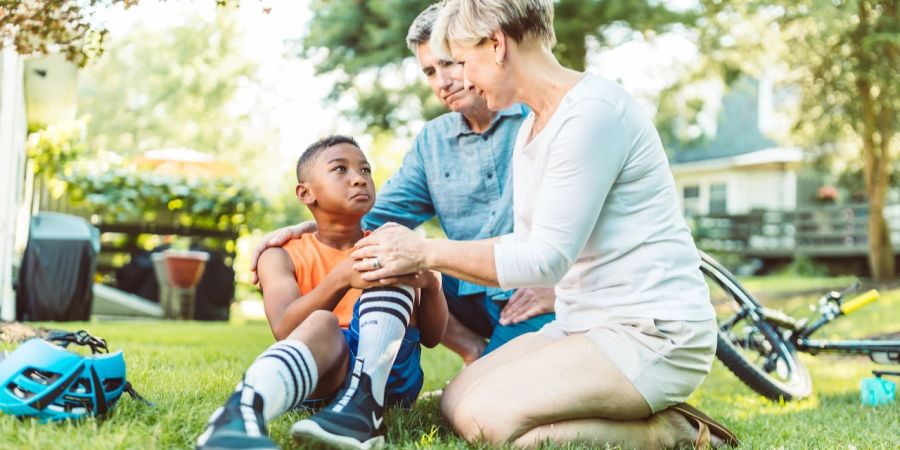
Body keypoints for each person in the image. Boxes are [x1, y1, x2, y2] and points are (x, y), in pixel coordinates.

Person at [347, 0, 741, 448]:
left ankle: (672, 432)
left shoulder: (592, 113)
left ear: (496, 45)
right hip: (583, 324)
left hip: (651, 333)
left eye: (462, 61)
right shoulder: (533, 128)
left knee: (492, 424)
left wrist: (427, 251)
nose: (463, 80)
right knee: (457, 399)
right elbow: (524, 241)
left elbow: (545, 259)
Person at [250, 4, 554, 366]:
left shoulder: (539, 119)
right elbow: (375, 216)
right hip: (466, 289)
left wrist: (563, 288)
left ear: (481, 51)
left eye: (450, 63)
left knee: (491, 390)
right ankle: (473, 352)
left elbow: (588, 222)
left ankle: (489, 365)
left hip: (532, 288)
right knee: (395, 261)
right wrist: (313, 226)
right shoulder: (433, 140)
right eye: (430, 71)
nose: (443, 81)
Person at [196, 136, 447, 450]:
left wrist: (433, 284)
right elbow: (285, 328)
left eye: (365, 170)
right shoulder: (281, 255)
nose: (359, 178)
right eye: (340, 169)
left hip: (389, 375)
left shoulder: (390, 244)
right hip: (323, 367)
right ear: (305, 193)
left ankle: (364, 407)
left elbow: (433, 337)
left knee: (390, 259)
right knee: (323, 323)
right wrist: (341, 278)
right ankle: (239, 414)